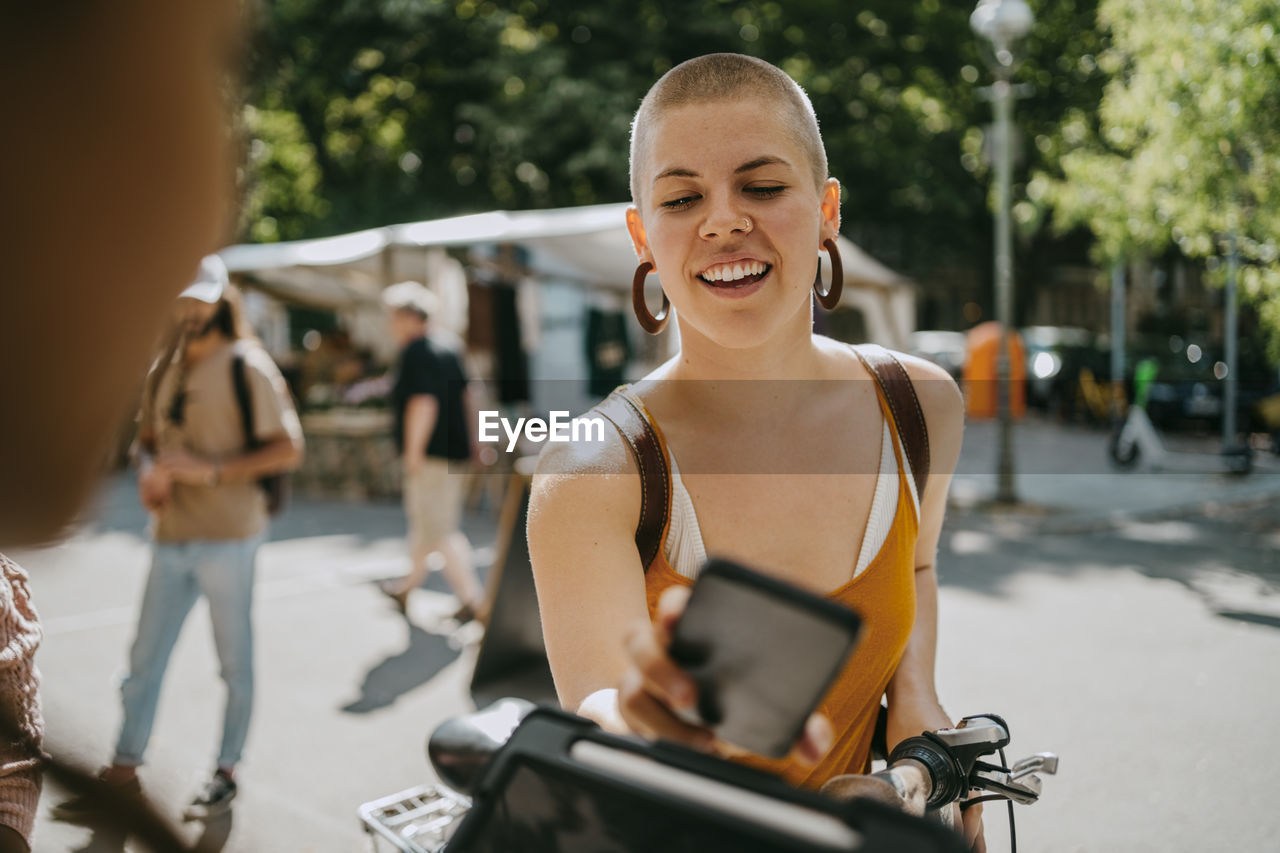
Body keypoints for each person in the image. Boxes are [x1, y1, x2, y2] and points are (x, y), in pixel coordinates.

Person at [528, 54, 983, 848]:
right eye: (681, 197)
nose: (723, 220)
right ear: (643, 233)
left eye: (762, 186)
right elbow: (602, 712)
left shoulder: (922, 409)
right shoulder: (593, 471)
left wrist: (918, 712)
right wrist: (635, 723)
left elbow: (916, 564)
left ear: (828, 208)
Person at [52, 258, 304, 823]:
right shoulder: (163, 365)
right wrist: (150, 472)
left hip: (229, 538)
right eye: (181, 298)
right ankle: (123, 768)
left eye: (199, 298)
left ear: (221, 299)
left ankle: (226, 769)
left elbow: (289, 448)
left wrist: (208, 470)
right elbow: (147, 440)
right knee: (144, 659)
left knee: (234, 663)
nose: (188, 309)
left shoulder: (248, 365)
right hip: (169, 537)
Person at [379, 281, 489, 624]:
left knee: (438, 529)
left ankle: (474, 600)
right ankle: (407, 587)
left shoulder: (417, 352)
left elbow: (422, 404)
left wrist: (413, 453)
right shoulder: (449, 347)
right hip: (453, 451)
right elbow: (471, 396)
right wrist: (478, 441)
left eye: (393, 317)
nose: (390, 325)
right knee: (425, 524)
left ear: (409, 316)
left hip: (431, 455)